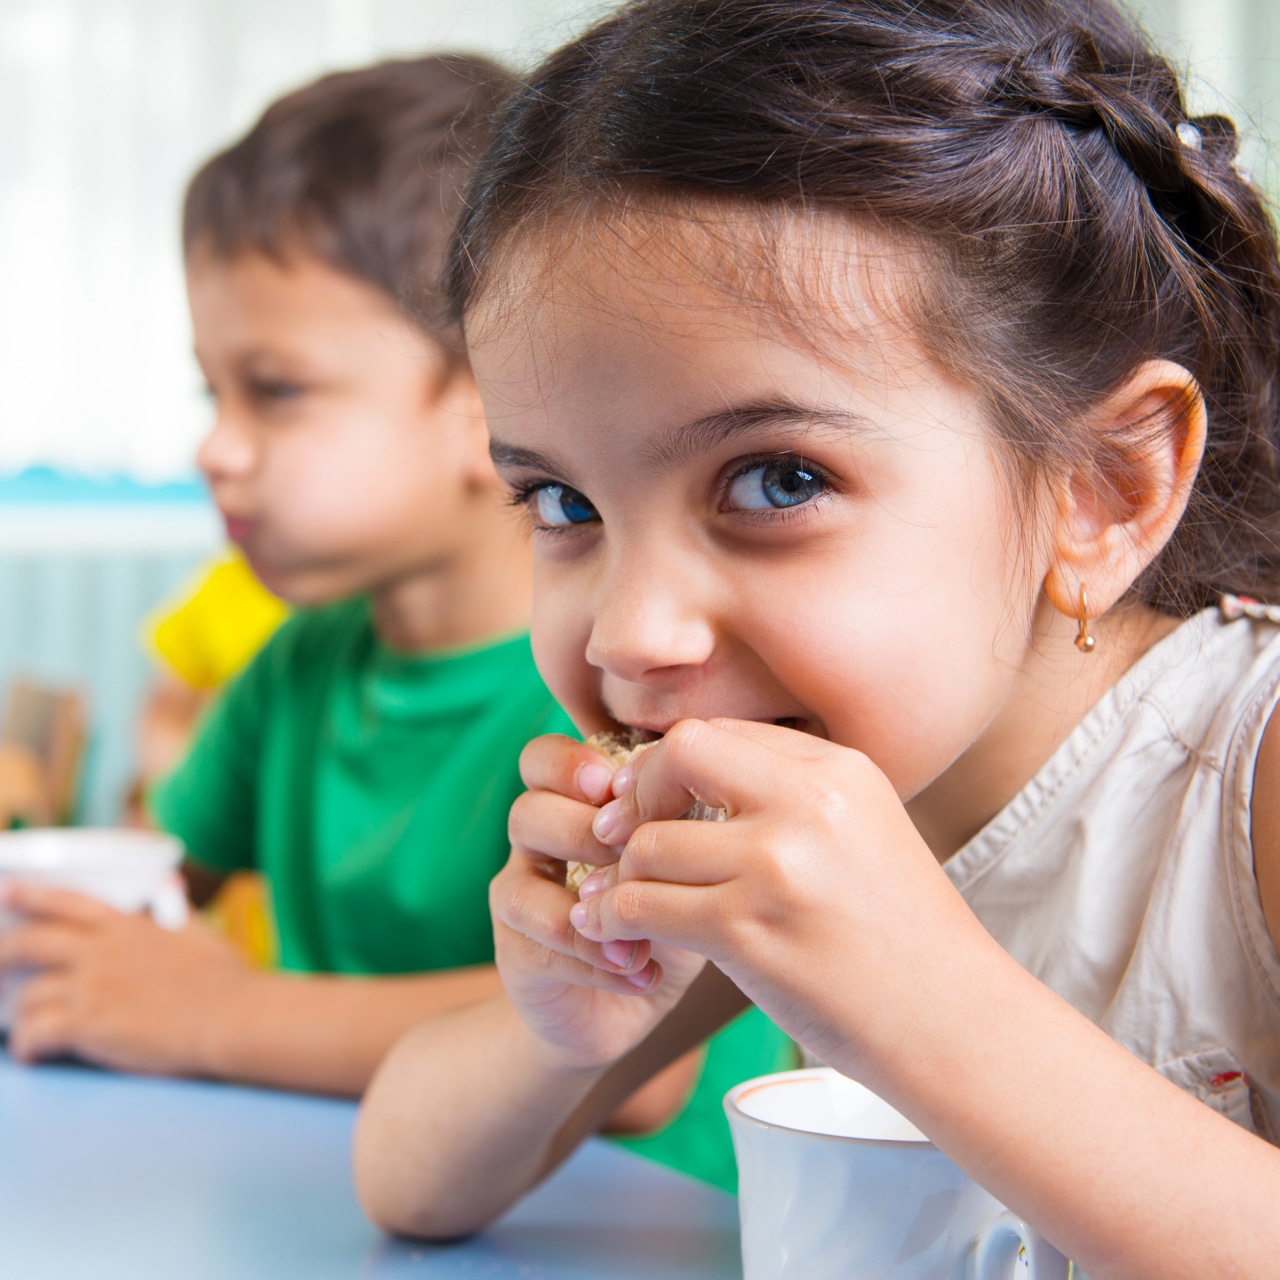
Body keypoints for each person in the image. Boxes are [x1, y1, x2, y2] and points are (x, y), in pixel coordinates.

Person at [353, 0, 1280, 1272]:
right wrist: (559, 1025)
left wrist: (921, 999)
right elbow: (407, 1178)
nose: (632, 630)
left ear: (1101, 489)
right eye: (563, 502)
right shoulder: (777, 832)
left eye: (776, 479)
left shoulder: (1249, 773)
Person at [0, 52, 791, 1181]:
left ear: (493, 393)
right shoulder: (301, 661)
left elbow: (634, 1050)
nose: (216, 449)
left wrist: (217, 1014)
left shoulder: (616, 683)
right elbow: (156, 879)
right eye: (208, 393)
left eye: (275, 390)